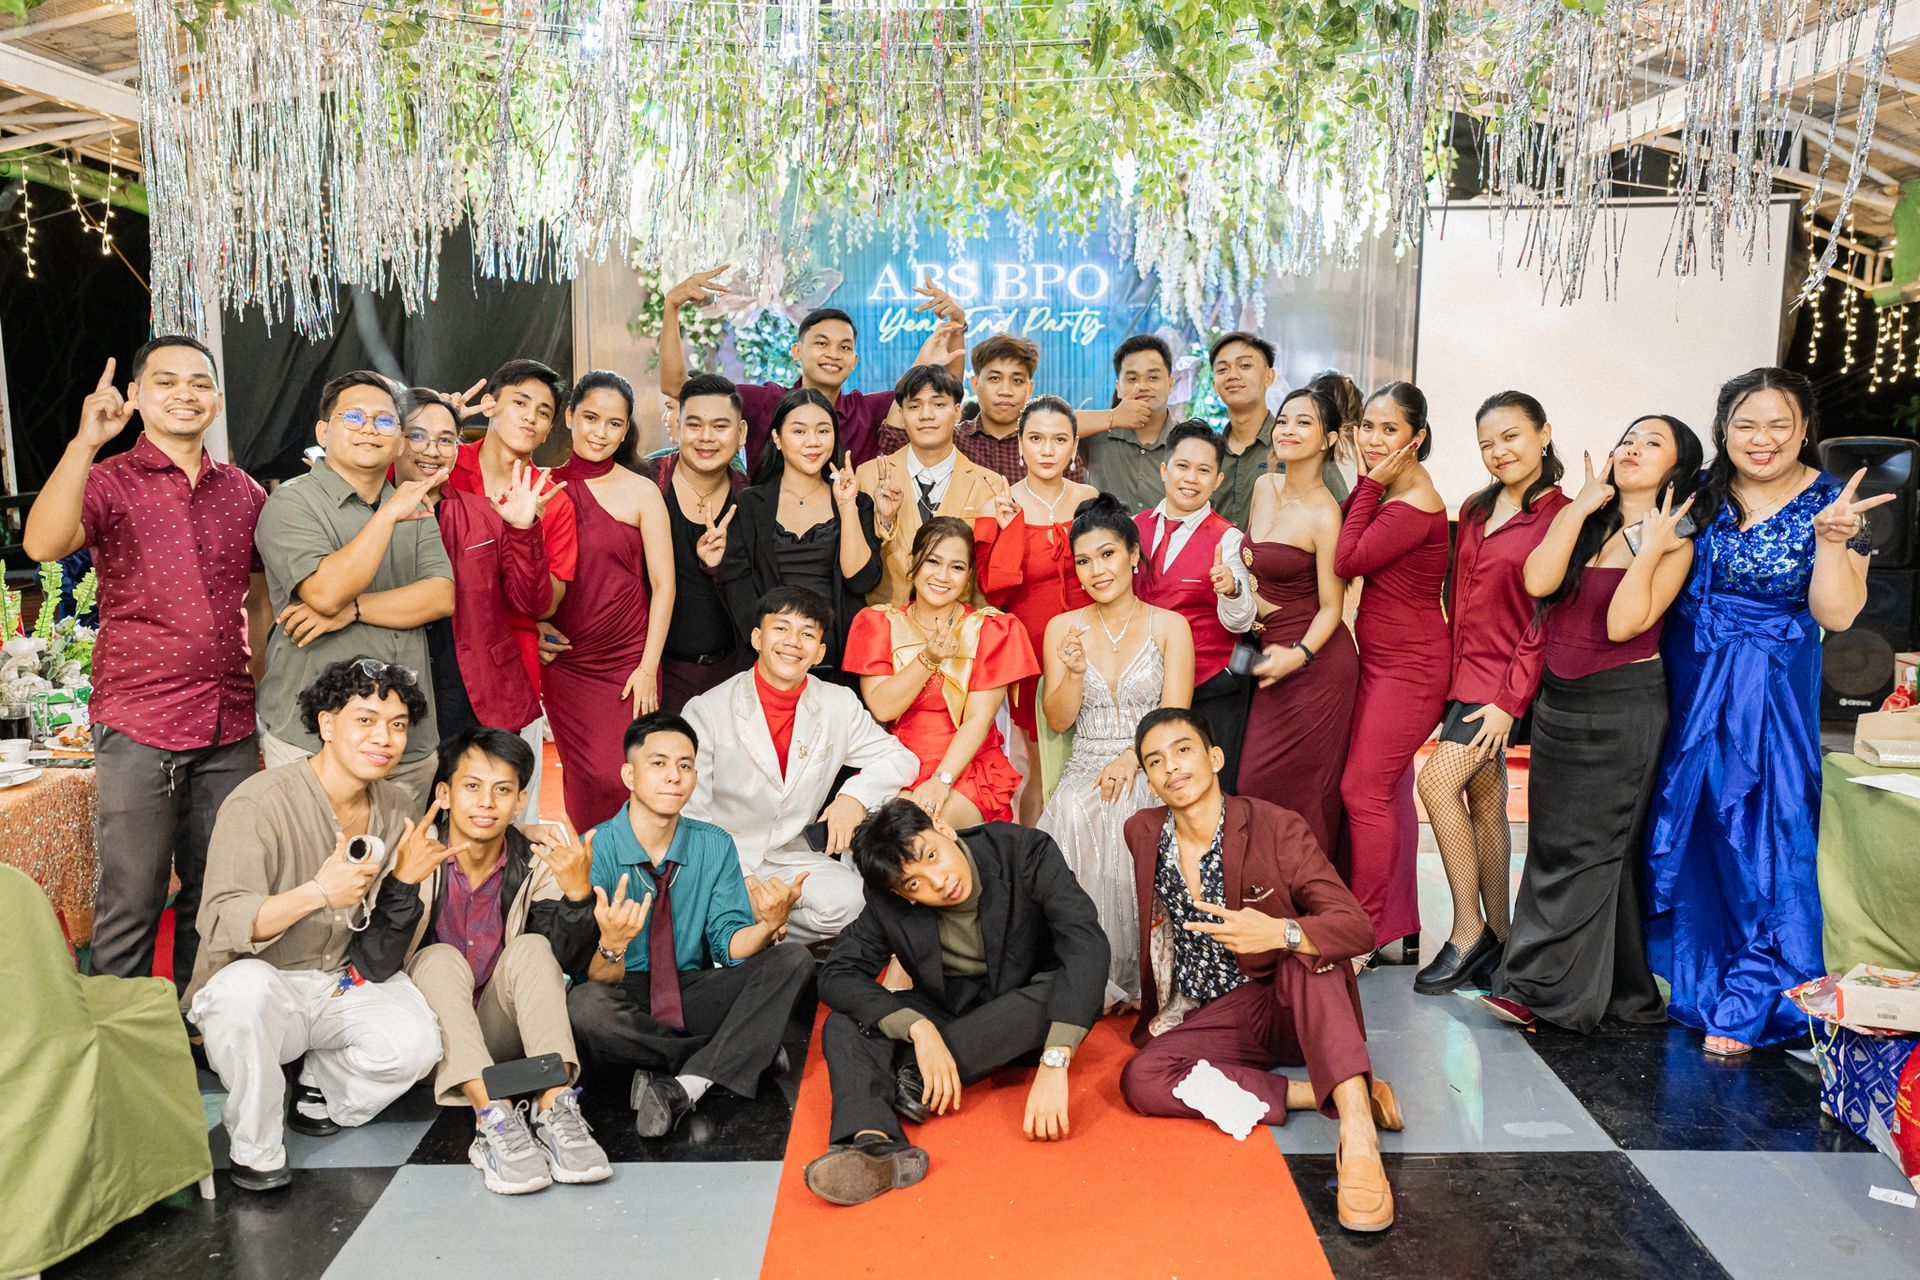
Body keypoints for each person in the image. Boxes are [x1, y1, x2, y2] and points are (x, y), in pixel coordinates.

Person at [1644, 368, 1885, 1056]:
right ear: (1724, 428)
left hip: (1772, 690)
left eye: (1780, 424)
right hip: (1692, 679)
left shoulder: (1834, 505)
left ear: (1806, 428)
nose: (1763, 439)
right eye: (1747, 424)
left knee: (1770, 832)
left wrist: (1834, 542)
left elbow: (1835, 614)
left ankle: (1757, 995)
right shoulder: (1700, 494)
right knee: (1699, 827)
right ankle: (1700, 981)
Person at [22, 338, 268, 986]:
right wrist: (83, 443)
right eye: (166, 381)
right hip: (140, 721)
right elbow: (44, 541)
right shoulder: (109, 480)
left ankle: (198, 1021)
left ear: (216, 399)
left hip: (229, 723)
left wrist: (259, 677)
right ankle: (120, 1035)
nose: (184, 393)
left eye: (198, 382)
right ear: (137, 397)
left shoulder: (242, 491)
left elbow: (264, 595)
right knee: (132, 894)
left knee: (219, 889)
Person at [1118, 708, 1399, 1234]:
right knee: (1142, 1078)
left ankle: (1358, 1135)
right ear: (1148, 778)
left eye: (1183, 750)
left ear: (1215, 757)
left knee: (1307, 955)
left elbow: (1356, 928)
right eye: (1155, 761)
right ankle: (1337, 1090)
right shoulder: (1143, 831)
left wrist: (1279, 933)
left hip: (1293, 1005)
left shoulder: (1277, 826)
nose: (1171, 768)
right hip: (1221, 1017)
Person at [182, 659, 445, 1191]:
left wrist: (405, 884)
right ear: (326, 724)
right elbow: (222, 920)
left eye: (397, 725)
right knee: (241, 995)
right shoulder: (259, 801)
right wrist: (315, 894)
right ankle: (255, 1146)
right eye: (366, 720)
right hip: (259, 981)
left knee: (418, 1045)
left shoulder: (396, 807)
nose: (385, 738)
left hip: (337, 983)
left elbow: (383, 938)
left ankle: (319, 1081)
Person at [1479, 418, 1702, 1034]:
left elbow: (1625, 623)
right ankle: (1627, 993)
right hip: (1560, 705)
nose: (1632, 449)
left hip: (1623, 707)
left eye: (1652, 443)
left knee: (1591, 853)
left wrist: (1650, 544)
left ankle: (1540, 991)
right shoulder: (1587, 521)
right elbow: (1537, 582)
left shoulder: (1677, 536)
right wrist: (1579, 509)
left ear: (1678, 465)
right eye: (1627, 439)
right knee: (1557, 847)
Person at [804, 799, 1110, 1205]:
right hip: (951, 1005)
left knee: (1061, 985)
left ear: (943, 828)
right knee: (845, 1021)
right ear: (902, 894)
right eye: (914, 884)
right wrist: (918, 1027)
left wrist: (1055, 1062)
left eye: (932, 855)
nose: (938, 880)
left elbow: (1086, 945)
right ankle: (874, 1145)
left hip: (1025, 1013)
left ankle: (909, 1072)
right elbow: (837, 974)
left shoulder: (1024, 851)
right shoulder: (886, 899)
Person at [353, 728, 608, 1193]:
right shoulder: (407, 852)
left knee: (532, 948)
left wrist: (576, 898)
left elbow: (566, 965)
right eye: (472, 786)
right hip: (427, 1040)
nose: (486, 802)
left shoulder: (537, 861)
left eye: (502, 790)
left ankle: (555, 1109)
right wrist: (403, 885)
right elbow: (373, 963)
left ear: (520, 801)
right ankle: (495, 1119)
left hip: (503, 1041)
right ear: (445, 794)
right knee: (437, 958)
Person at [567, 713, 816, 1137]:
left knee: (792, 957)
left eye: (684, 765)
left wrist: (768, 925)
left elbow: (727, 945)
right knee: (584, 1009)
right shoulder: (595, 848)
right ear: (629, 774)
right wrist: (611, 943)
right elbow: (590, 976)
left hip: (693, 987)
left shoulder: (714, 843)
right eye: (658, 764)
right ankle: (741, 1052)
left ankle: (683, 1082)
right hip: (622, 991)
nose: (673, 777)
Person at [1412, 392, 1568, 996]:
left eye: (1511, 437)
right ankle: (1501, 936)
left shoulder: (1561, 515)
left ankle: (1466, 931)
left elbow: (1546, 615)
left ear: (1543, 433)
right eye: (1486, 443)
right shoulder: (1476, 509)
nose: (1498, 451)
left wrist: (1510, 700)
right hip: (1466, 675)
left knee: (1436, 782)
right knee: (1484, 799)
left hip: (1507, 684)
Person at [253, 372, 454, 805]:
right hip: (312, 739)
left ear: (399, 440)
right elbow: (325, 593)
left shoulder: (413, 506)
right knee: (312, 867)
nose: (369, 428)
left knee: (399, 868)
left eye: (384, 421)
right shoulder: (292, 502)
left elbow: (440, 595)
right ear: (324, 431)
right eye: (354, 416)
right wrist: (386, 516)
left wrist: (355, 609)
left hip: (406, 742)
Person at [682, 586, 921, 944]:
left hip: (791, 856)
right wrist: (743, 882)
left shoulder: (837, 703)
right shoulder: (706, 710)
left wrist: (852, 797)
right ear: (757, 638)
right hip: (726, 859)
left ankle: (757, 933)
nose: (793, 642)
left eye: (807, 633)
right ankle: (739, 927)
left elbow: (901, 758)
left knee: (852, 904)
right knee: (695, 906)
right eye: (781, 628)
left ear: (820, 651)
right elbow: (691, 816)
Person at [1038, 494, 1195, 1007]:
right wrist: (1074, 674)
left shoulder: (1171, 626)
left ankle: (1146, 972)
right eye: (1083, 561)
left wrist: (1133, 758)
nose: (1096, 570)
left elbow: (1175, 719)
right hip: (1085, 759)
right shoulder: (1063, 629)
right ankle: (1089, 968)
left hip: (1154, 758)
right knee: (1072, 807)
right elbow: (1059, 719)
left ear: (1133, 553)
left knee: (1135, 806)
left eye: (1107, 554)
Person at [1334, 382, 1450, 964]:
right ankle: (1396, 925)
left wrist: (1369, 483)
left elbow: (1347, 559)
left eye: (1389, 429)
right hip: (1381, 661)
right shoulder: (1389, 492)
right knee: (1389, 789)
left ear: (1417, 438)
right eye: (1367, 427)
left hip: (1413, 666)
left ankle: (1363, 929)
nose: (1374, 439)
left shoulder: (1413, 501)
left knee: (1362, 790)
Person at [441, 358, 580, 812]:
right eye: (520, 402)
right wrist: (437, 426)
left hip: (509, 669)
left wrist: (526, 531)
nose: (530, 416)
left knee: (509, 809)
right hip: (436, 654)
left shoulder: (552, 497)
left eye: (543, 412)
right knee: (434, 802)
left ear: (548, 430)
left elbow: (543, 605)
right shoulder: (444, 464)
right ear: (490, 405)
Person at [395, 388, 552, 790]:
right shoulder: (371, 513)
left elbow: (532, 602)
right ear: (394, 439)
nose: (432, 450)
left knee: (481, 819)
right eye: (417, 436)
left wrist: (523, 531)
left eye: (446, 439)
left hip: (478, 691)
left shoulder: (482, 512)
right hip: (400, 692)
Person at [656, 267, 965, 470]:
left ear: (854, 361)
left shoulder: (867, 411)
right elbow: (678, 389)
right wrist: (671, 308)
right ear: (797, 351)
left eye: (844, 347)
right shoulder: (765, 401)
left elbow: (946, 395)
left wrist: (957, 326)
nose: (833, 354)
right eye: (821, 343)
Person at [543, 371, 677, 829]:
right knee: (584, 778)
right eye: (590, 419)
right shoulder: (542, 488)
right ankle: (591, 884)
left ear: (626, 430)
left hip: (628, 659)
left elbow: (664, 585)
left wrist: (646, 667)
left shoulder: (641, 490)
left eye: (614, 424)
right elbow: (524, 577)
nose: (601, 433)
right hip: (566, 664)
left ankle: (641, 883)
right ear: (569, 418)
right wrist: (533, 627)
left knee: (626, 775)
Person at [845, 517, 1040, 826]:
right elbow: (883, 707)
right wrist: (929, 658)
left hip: (966, 767)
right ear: (913, 561)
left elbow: (978, 719)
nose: (943, 576)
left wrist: (941, 780)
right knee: (880, 836)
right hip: (897, 763)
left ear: (968, 576)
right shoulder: (878, 623)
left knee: (916, 831)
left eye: (957, 567)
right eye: (933, 561)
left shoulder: (991, 629)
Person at [1235, 385, 1358, 853]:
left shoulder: (1325, 515)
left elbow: (1333, 606)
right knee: (1252, 781)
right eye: (1283, 420)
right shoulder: (1265, 485)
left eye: (1304, 422)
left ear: (1327, 439)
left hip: (1315, 666)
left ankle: (1311, 908)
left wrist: (1301, 655)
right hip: (1265, 655)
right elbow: (1253, 568)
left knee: (1302, 794)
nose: (1287, 430)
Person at [974, 396, 1099, 824]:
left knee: (1093, 756)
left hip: (1092, 644)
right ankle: (1037, 862)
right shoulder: (999, 504)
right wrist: (1009, 530)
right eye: (1037, 439)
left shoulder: (1089, 499)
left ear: (1074, 445)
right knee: (1041, 767)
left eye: (1059, 439)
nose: (1048, 450)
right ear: (1020, 444)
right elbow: (992, 591)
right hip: (1031, 653)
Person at [718, 389, 883, 683]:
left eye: (823, 430)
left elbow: (861, 580)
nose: (813, 442)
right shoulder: (750, 504)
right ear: (777, 439)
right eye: (798, 431)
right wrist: (778, 648)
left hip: (839, 662)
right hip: (769, 660)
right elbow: (737, 585)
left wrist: (846, 506)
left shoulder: (858, 502)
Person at [1135, 421, 1258, 791]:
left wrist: (1232, 588)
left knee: (1213, 790)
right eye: (1183, 466)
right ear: (1164, 469)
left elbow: (1242, 621)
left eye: (1204, 470)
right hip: (1146, 687)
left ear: (1217, 480)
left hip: (1212, 688)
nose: (1191, 478)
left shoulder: (1229, 538)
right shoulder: (1132, 529)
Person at [855, 364, 1002, 607]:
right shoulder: (869, 475)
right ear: (901, 414)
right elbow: (858, 563)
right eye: (914, 406)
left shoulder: (989, 484)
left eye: (938, 404)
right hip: (887, 625)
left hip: (958, 631)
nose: (926, 415)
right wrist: (885, 523)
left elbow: (985, 577)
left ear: (957, 411)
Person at [651, 372, 750, 713]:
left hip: (730, 675)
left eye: (720, 426)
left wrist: (718, 567)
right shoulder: (646, 483)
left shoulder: (750, 500)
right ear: (677, 428)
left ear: (741, 434)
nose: (706, 438)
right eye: (694, 425)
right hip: (654, 673)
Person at [1077, 334, 1179, 513]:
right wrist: (1114, 417)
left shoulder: (1185, 441)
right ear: (1118, 387)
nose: (1142, 386)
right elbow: (1048, 424)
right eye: (1132, 379)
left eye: (1153, 377)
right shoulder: (1096, 434)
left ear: (1170, 384)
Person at [1207, 331, 1278, 528]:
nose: (1232, 375)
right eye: (1222, 370)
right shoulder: (1208, 453)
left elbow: (1338, 510)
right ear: (1215, 385)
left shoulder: (1295, 444)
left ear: (1269, 376)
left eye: (1245, 365)